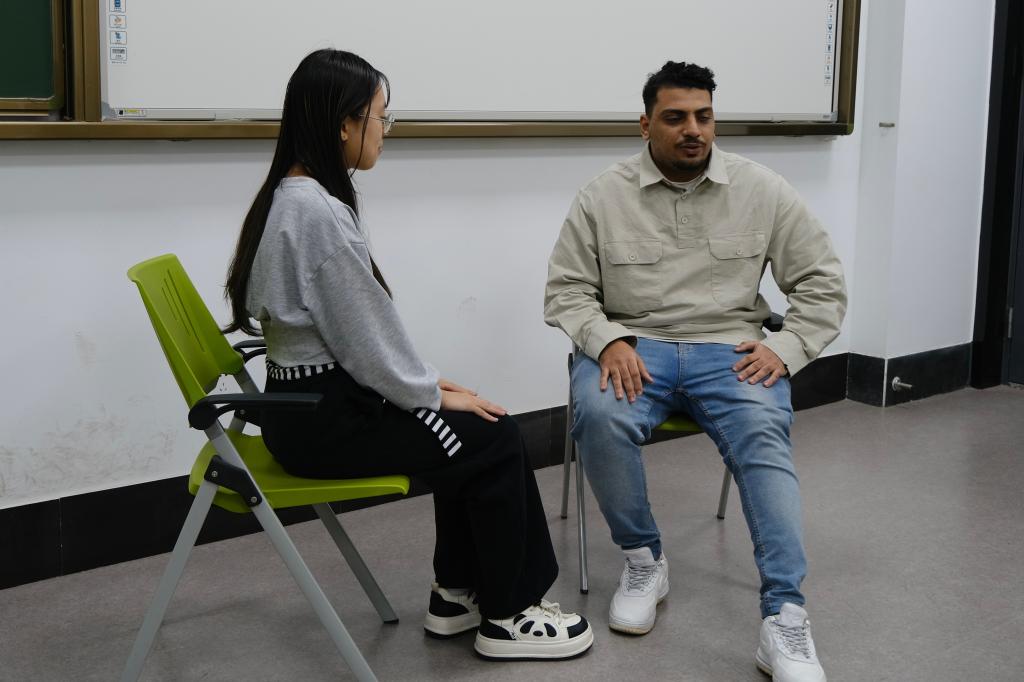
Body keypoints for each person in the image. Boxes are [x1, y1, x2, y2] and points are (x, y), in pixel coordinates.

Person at [224, 49, 593, 662]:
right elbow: (365, 342)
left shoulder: (288, 197)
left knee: (466, 431)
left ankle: (455, 595)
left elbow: (358, 339)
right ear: (344, 123)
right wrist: (430, 392)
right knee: (494, 437)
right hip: (327, 419)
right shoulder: (316, 213)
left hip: (304, 408)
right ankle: (510, 615)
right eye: (380, 117)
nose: (385, 131)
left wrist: (432, 386)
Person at [544, 61, 846, 682]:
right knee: (598, 415)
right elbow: (567, 292)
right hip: (636, 348)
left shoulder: (762, 190)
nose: (693, 130)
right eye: (676, 117)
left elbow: (822, 284)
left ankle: (785, 615)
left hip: (729, 350)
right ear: (645, 125)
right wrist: (606, 341)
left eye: (704, 117)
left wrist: (786, 349)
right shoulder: (602, 196)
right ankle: (644, 560)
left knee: (763, 438)